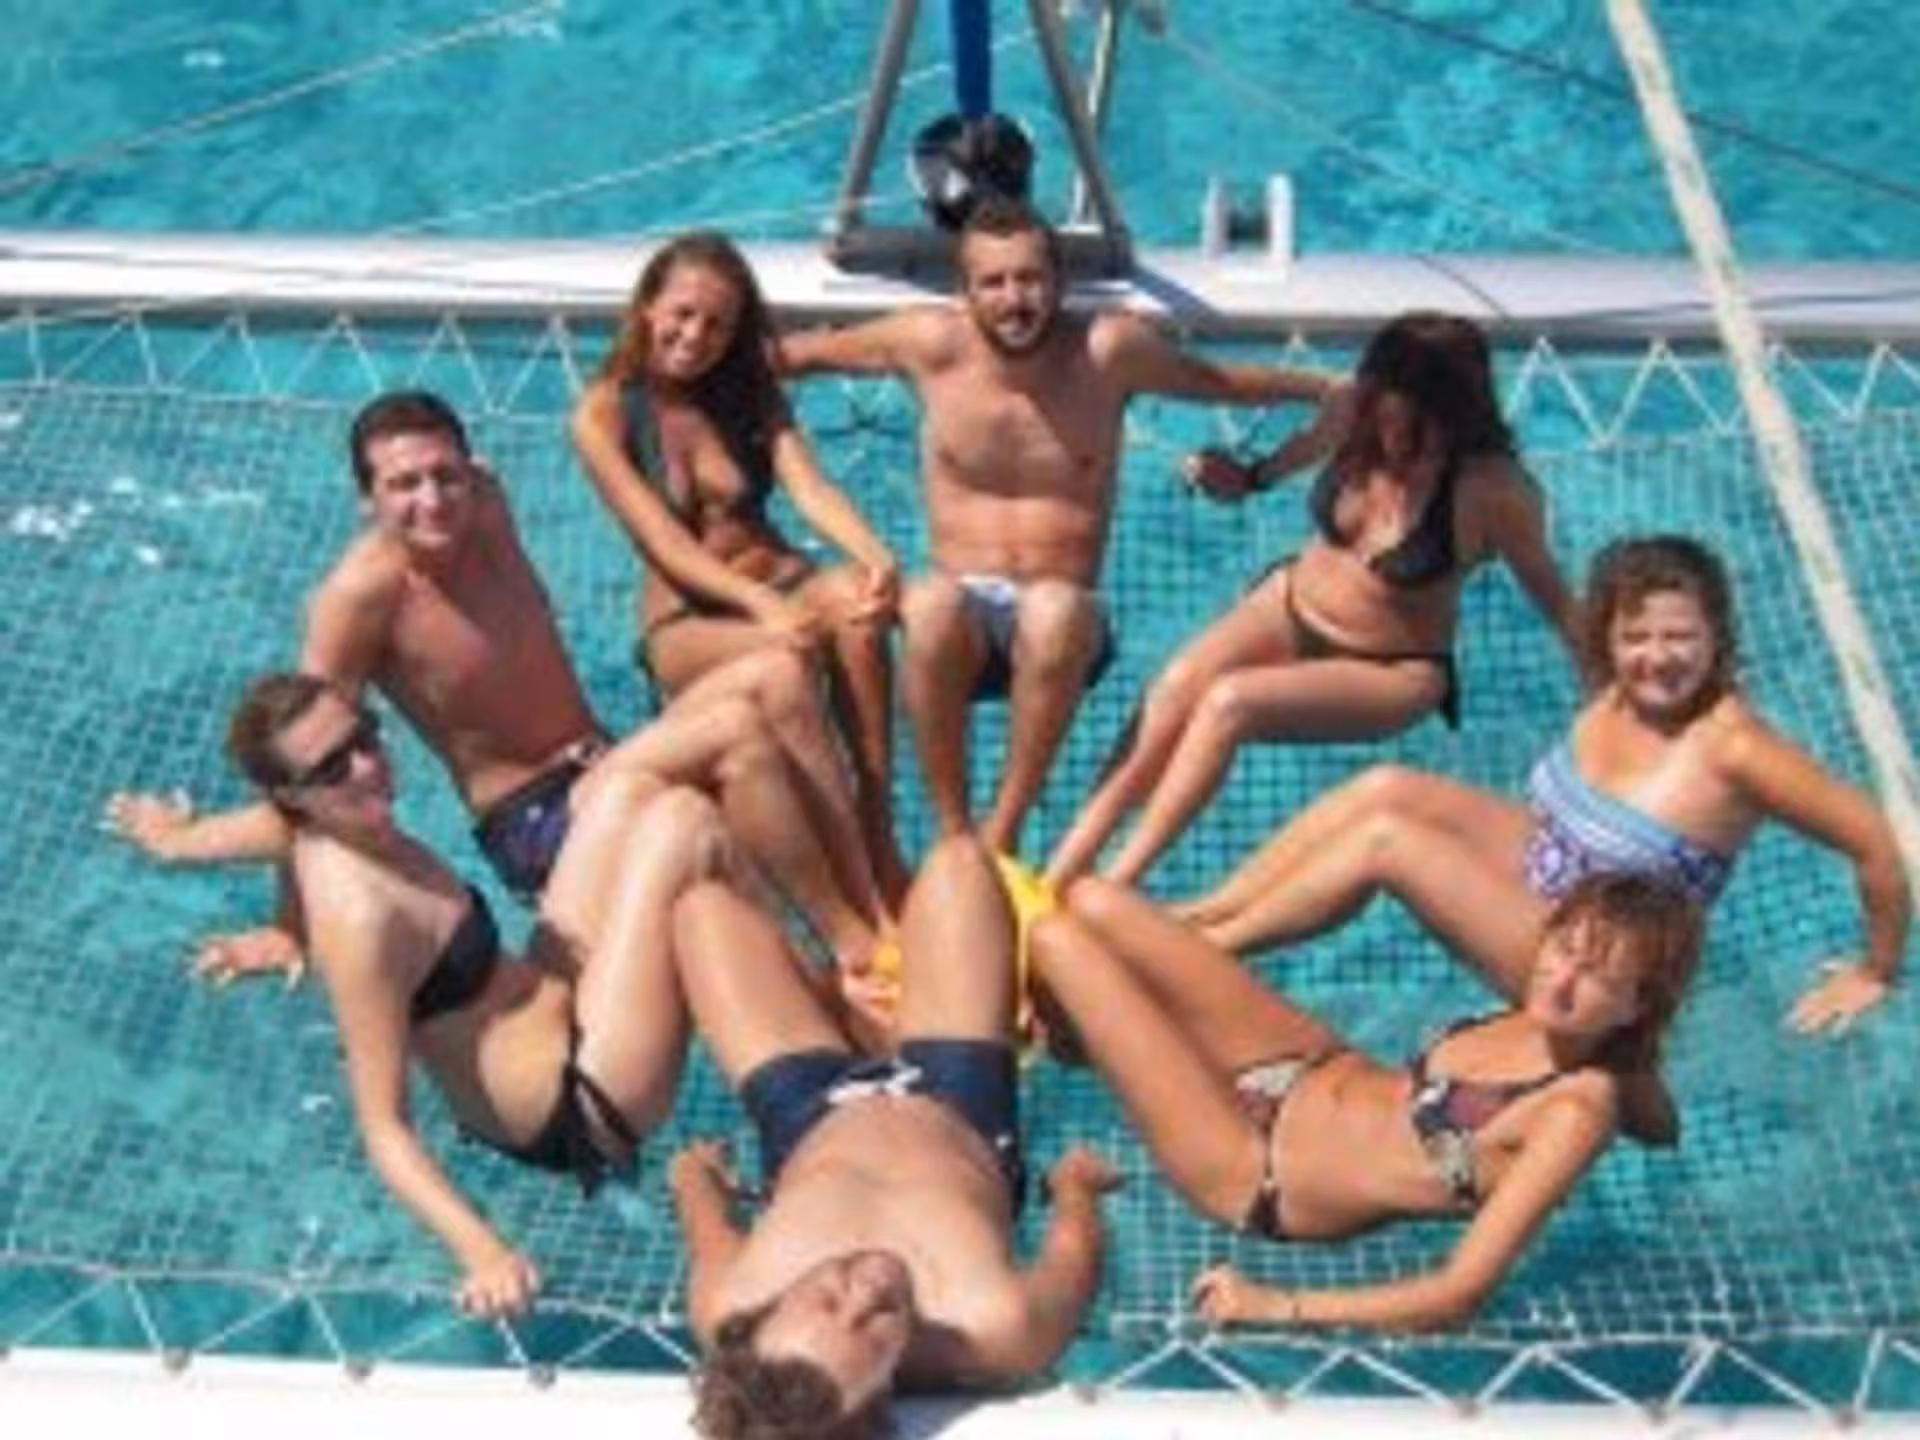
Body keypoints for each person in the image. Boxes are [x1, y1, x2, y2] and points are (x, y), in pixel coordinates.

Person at [107, 390, 888, 980]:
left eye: (444, 475)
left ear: (470, 470)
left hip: (604, 760)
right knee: (736, 743)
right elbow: (311, 780)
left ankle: (873, 904)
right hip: (537, 817)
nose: (431, 500)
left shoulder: (488, 506)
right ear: (366, 499)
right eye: (402, 485)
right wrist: (276, 912)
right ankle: (852, 960)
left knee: (781, 676)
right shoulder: (358, 600)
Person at [134, 673, 746, 1316]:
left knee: (629, 792)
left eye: (365, 734)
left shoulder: (329, 819)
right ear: (296, 794)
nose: (368, 767)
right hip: (578, 1101)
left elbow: (269, 834)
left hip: (555, 994)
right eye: (334, 766)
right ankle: (786, 1016)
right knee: (687, 824)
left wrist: (181, 844)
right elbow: (383, 1126)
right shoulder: (363, 921)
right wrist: (483, 1253)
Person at [779, 196, 1342, 855]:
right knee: (928, 601)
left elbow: (1219, 381)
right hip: (958, 628)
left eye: (1030, 278)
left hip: (1065, 627)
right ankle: (955, 834)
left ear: (1059, 284)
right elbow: (806, 354)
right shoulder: (929, 344)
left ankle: (1004, 833)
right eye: (993, 282)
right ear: (965, 292)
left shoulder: (1108, 351)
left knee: (1050, 610)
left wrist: (1325, 389)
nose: (1014, 299)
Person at [1175, 534, 1908, 1033]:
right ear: (1607, 638)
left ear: (1717, 636)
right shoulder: (1614, 691)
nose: (1656, 659)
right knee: (1387, 785)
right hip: (1546, 891)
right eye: (1636, 638)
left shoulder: (1738, 749)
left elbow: (1878, 843)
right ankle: (1199, 918)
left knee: (1386, 842)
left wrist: (1874, 971)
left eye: (1680, 637)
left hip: (1605, 968)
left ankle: (1194, 957)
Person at [1030, 868, 1702, 1332]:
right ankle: (1081, 1044)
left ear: (1638, 1005)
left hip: (1255, 1168)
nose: (1563, 979)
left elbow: (1458, 1294)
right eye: (1563, 947)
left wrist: (1278, 1306)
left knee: (1057, 941)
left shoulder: (1575, 1113)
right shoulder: (1541, 1001)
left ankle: (1083, 1047)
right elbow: (1662, 1123)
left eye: (1598, 976)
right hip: (1306, 1063)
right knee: (1093, 901)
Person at [1046, 310, 1580, 887]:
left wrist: (1610, 679)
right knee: (1176, 688)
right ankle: (1060, 871)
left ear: (1453, 414)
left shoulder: (1495, 491)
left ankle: (1112, 885)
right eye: (1379, 407)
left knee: (1230, 705)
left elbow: (1552, 597)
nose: (1385, 429)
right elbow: (1288, 460)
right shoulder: (1358, 413)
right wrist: (1246, 480)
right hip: (1290, 605)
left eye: (1408, 422)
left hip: (1390, 668)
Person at [669, 835, 1119, 1434]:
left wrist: (696, 1175)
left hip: (810, 1110)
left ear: (764, 1314)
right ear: (882, 1399)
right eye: (874, 1336)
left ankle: (846, 995)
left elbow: (701, 1214)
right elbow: (1075, 1259)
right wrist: (1075, 1188)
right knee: (958, 862)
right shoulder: (997, 1327)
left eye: (827, 1301)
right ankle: (866, 1011)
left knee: (701, 908)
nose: (870, 1289)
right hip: (957, 1102)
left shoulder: (729, 1302)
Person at [571, 232, 908, 898]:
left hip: (782, 580)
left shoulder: (747, 390)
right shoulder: (602, 414)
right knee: (789, 657)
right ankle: (853, 888)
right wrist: (764, 607)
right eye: (682, 314)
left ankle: (876, 824)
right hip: (689, 620)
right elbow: (666, 544)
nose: (696, 336)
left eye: (718, 324)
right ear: (646, 307)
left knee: (861, 613)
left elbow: (809, 487)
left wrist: (875, 555)